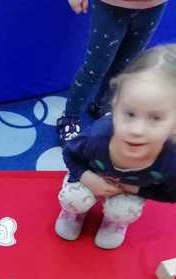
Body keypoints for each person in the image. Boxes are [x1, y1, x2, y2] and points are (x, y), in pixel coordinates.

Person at [55, 44, 176, 249]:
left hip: (129, 192)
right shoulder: (97, 136)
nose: (136, 130)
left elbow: (172, 194)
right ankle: (73, 213)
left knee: (122, 210)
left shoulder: (171, 161)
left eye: (155, 118)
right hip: (90, 178)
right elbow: (70, 154)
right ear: (115, 105)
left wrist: (138, 189)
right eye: (129, 113)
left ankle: (113, 222)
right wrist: (87, 178)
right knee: (73, 198)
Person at [57, 0, 167, 146]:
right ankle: (70, 116)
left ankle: (101, 106)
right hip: (110, 6)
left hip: (154, 7)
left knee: (125, 67)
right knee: (94, 69)